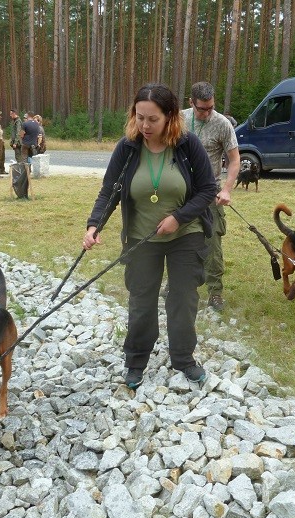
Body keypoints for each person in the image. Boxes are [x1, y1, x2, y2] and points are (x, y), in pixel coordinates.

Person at [83, 83, 217, 389]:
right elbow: (109, 191)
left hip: (187, 235)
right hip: (142, 239)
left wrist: (179, 218)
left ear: (170, 116)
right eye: (139, 117)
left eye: (152, 119)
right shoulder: (127, 148)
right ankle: (136, 360)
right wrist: (94, 226)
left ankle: (183, 358)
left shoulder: (187, 144)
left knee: (183, 299)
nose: (145, 125)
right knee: (141, 302)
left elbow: (208, 189)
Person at [181, 81, 240, 312]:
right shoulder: (179, 119)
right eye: (201, 109)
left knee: (212, 244)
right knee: (178, 241)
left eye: (210, 107)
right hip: (181, 193)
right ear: (191, 102)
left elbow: (234, 160)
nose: (206, 113)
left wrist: (226, 189)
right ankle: (179, 283)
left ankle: (215, 292)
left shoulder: (222, 124)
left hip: (210, 194)